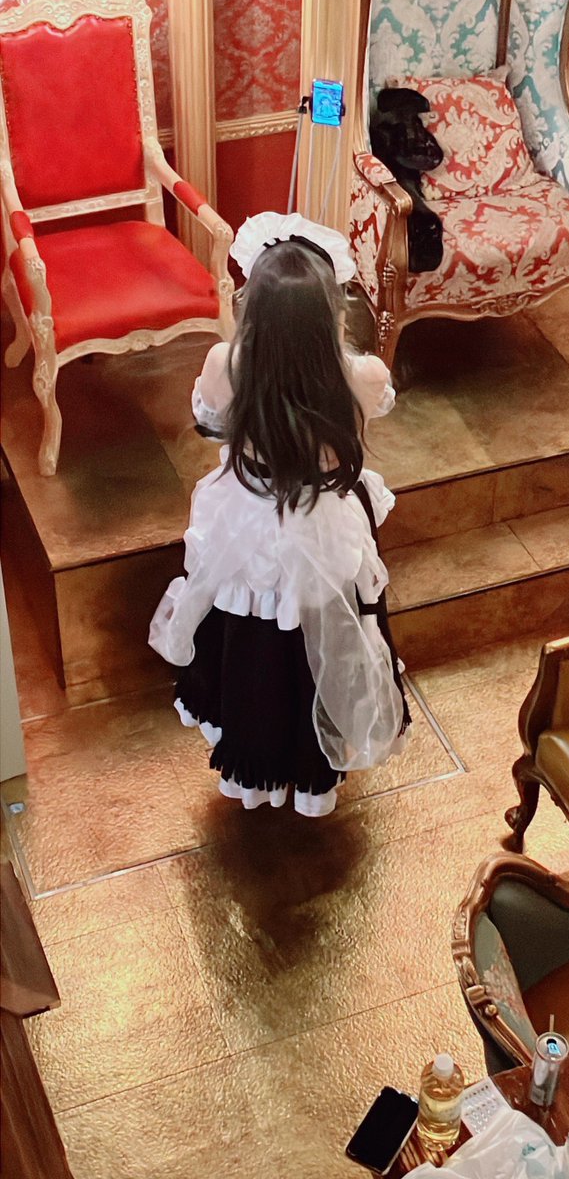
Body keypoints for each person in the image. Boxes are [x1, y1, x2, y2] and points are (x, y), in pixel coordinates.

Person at [149, 212, 410, 817]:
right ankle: (316, 765)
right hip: (325, 524)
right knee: (324, 639)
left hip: (247, 523)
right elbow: (371, 409)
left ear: (254, 308)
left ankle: (256, 763)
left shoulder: (226, 365)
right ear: (330, 311)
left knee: (252, 645)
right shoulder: (362, 375)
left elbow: (210, 422)